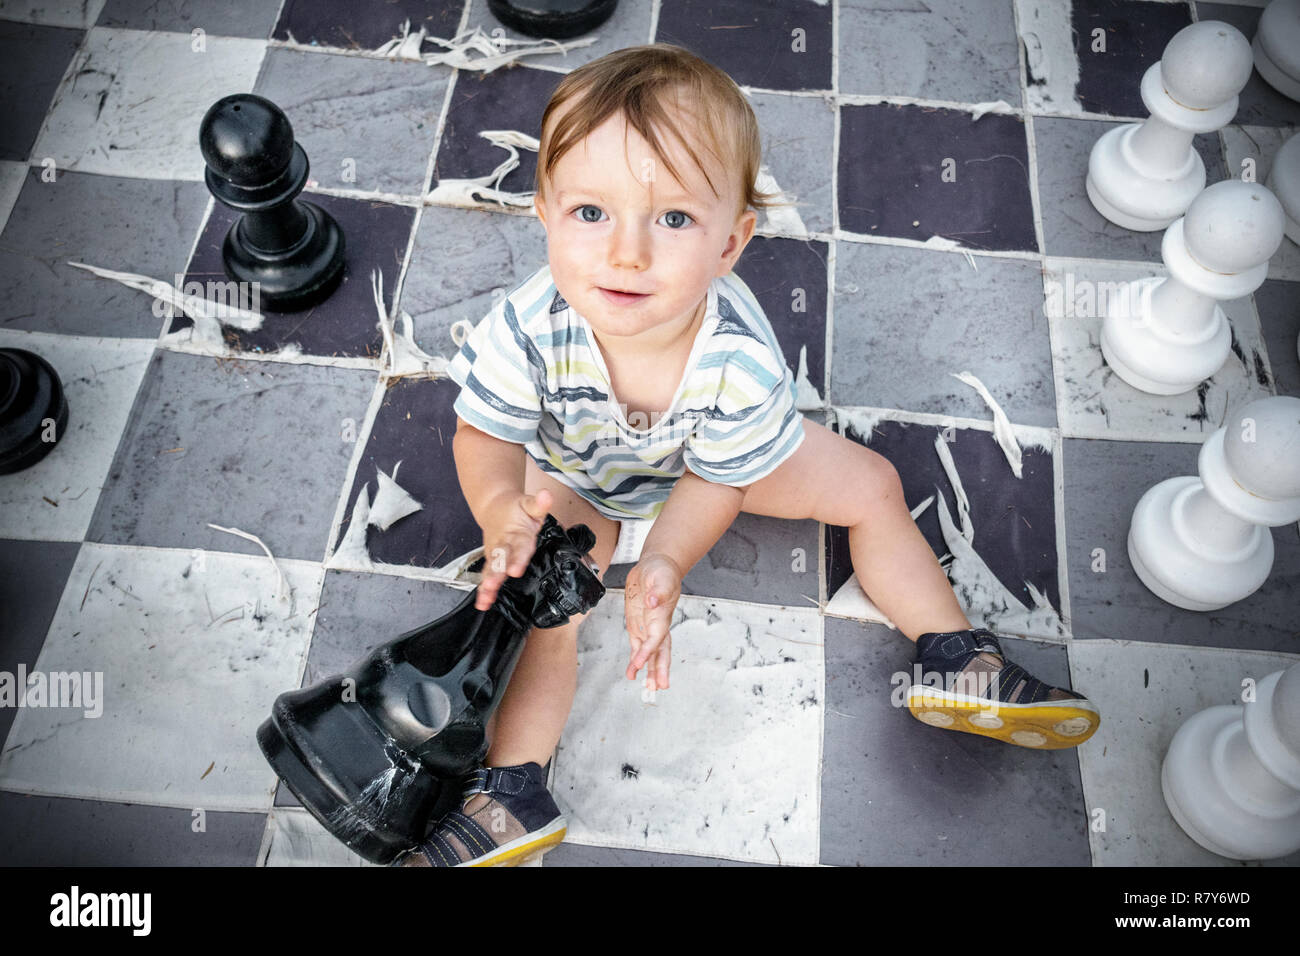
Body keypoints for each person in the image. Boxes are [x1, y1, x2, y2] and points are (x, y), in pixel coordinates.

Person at [400, 43, 1099, 868]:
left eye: (673, 219)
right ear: (546, 211)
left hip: (707, 460)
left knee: (872, 486)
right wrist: (498, 508)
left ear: (731, 244)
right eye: (592, 213)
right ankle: (513, 791)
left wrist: (665, 559)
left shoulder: (740, 355)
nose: (627, 252)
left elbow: (719, 477)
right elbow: (484, 433)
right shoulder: (525, 324)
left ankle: (952, 653)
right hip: (579, 474)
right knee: (550, 607)